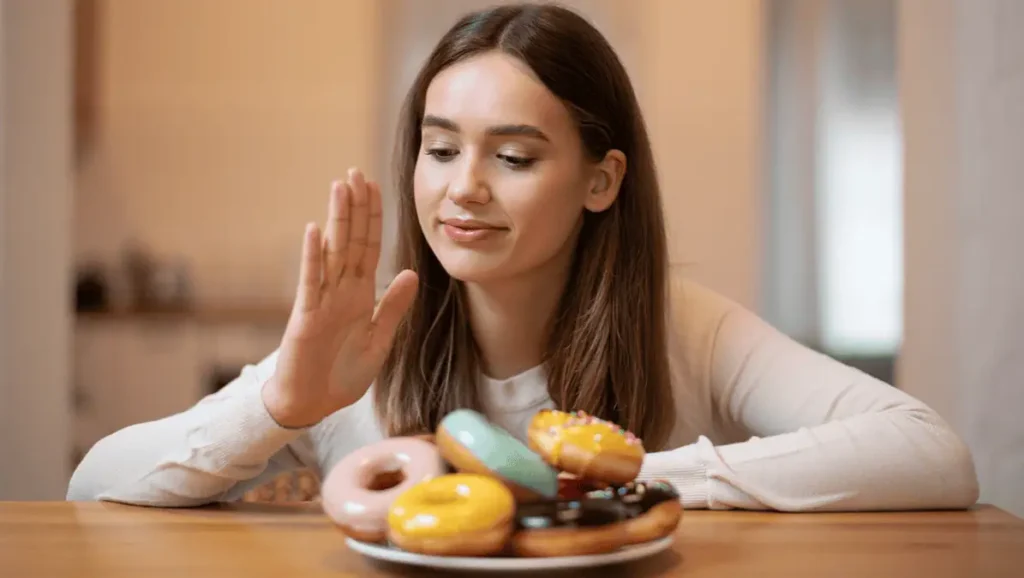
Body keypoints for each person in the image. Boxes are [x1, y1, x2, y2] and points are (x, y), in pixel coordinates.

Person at [67, 3, 979, 511]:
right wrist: (281, 405)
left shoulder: (680, 324)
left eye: (512, 157)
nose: (462, 187)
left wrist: (628, 482)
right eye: (439, 148)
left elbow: (931, 454)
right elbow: (91, 485)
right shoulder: (365, 344)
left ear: (600, 180)